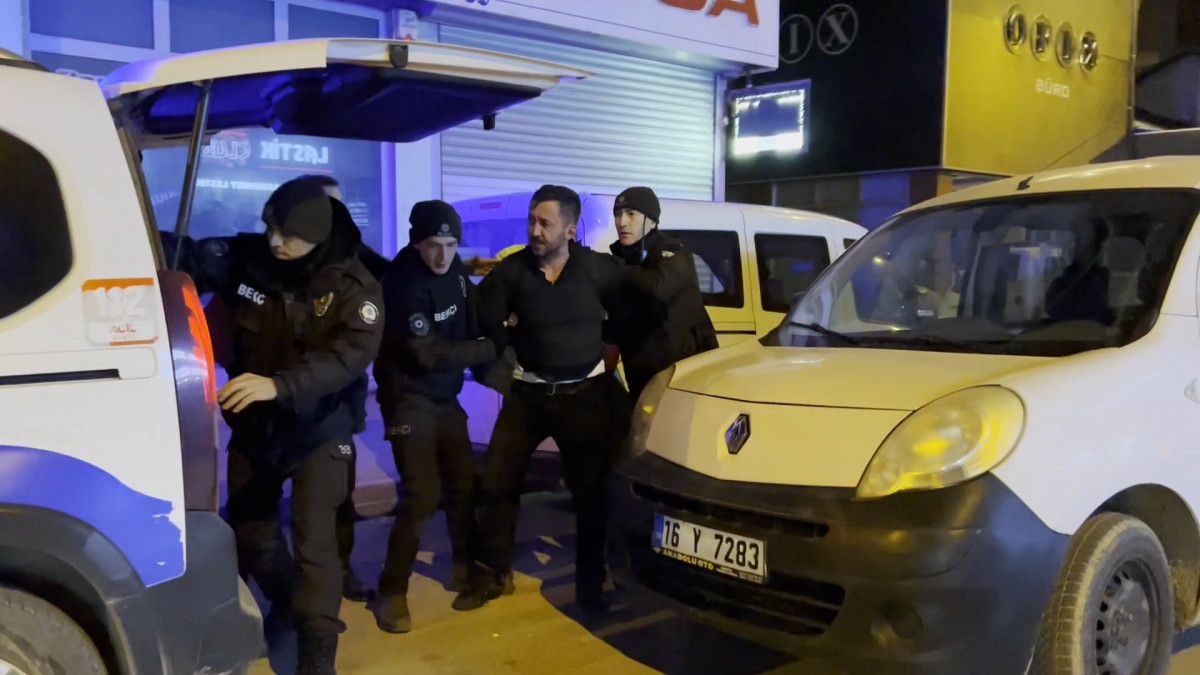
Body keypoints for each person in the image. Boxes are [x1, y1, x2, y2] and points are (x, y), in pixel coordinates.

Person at [168, 177, 384, 674]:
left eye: (288, 235)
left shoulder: (354, 285)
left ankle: (317, 653)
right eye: (270, 228)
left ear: (316, 236)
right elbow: (186, 256)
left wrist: (278, 385)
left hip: (319, 430)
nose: (275, 242)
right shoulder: (249, 259)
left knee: (316, 544)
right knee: (250, 533)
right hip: (257, 428)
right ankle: (289, 602)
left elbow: (348, 357)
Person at [456, 185, 628, 612]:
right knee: (496, 483)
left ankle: (591, 589)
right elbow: (480, 316)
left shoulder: (598, 270)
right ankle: (492, 574)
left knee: (590, 496)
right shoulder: (513, 272)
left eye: (544, 223)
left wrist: (608, 352)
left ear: (569, 230)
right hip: (527, 396)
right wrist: (505, 337)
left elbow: (626, 315)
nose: (534, 230)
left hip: (584, 398)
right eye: (531, 221)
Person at [371, 201, 499, 633]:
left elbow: (471, 311)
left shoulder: (456, 269)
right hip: (408, 398)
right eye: (433, 245)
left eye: (450, 245)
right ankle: (391, 590)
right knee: (423, 495)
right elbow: (427, 355)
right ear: (416, 243)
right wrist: (488, 349)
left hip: (444, 397)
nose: (443, 255)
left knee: (463, 485)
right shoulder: (403, 283)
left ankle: (464, 567)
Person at [296, 174, 386, 604]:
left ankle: (341, 572)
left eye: (338, 206)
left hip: (336, 408)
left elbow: (396, 274)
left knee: (336, 497)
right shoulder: (281, 257)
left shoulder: (356, 262)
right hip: (280, 405)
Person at [607, 186, 717, 400]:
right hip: (640, 369)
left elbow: (659, 288)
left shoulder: (672, 252)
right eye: (618, 214)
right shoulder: (624, 257)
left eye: (631, 214)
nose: (622, 222)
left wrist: (615, 267)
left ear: (652, 221)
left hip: (680, 371)